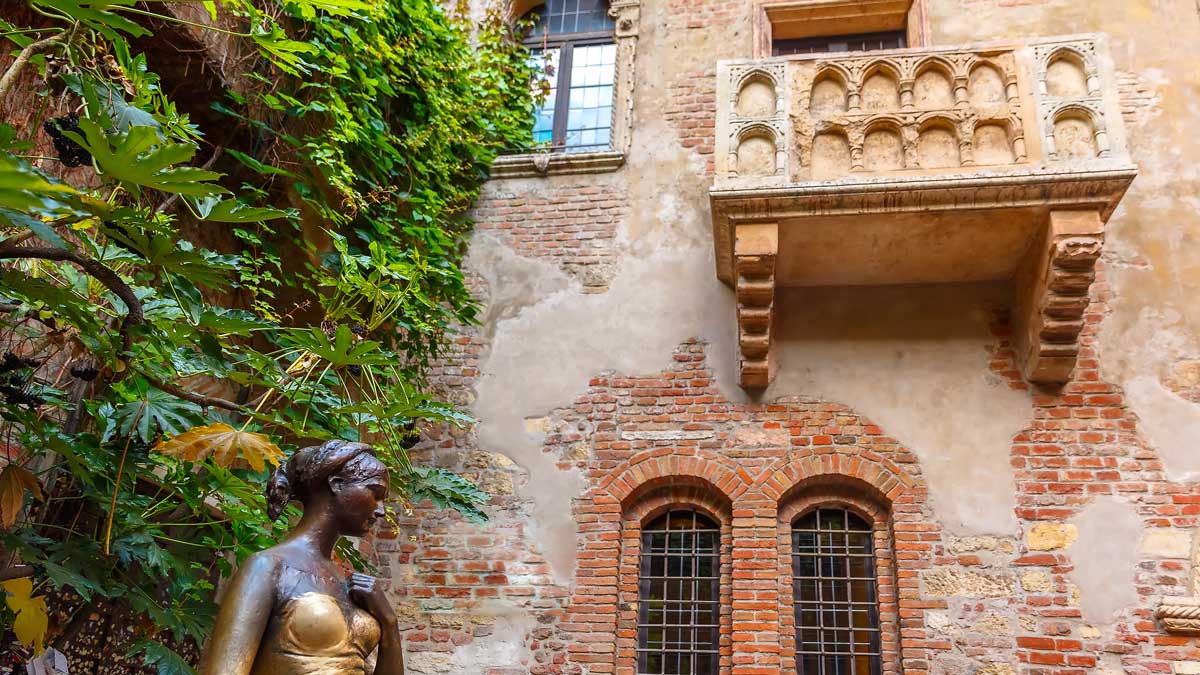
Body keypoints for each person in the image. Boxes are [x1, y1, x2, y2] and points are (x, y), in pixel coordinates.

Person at [201, 440, 405, 675]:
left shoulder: (346, 584)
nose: (381, 510)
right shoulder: (268, 567)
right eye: (375, 492)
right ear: (337, 484)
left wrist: (389, 623)